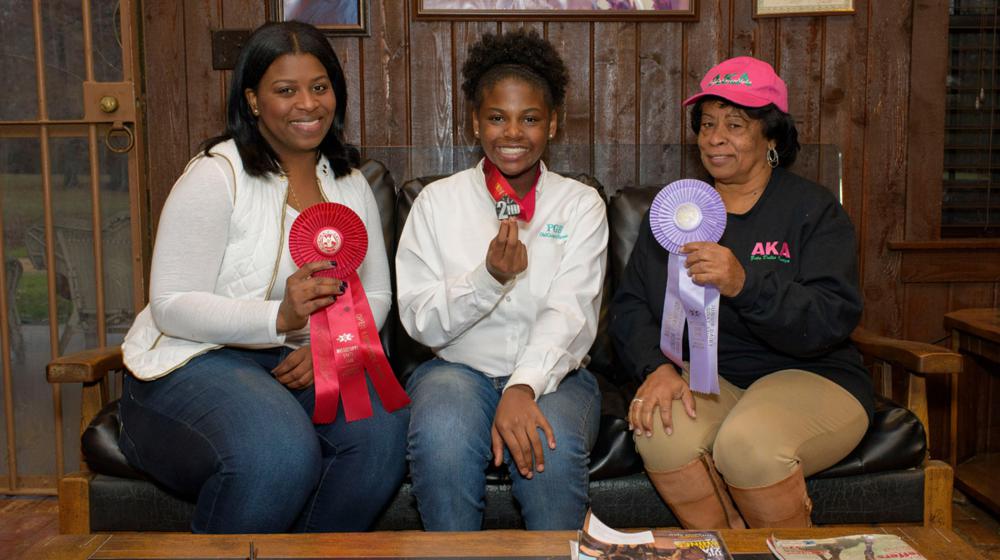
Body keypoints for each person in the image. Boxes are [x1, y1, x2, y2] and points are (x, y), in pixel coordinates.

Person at [118, 21, 407, 533]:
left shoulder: (350, 182)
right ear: (252, 100)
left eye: (320, 88)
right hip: (191, 363)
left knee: (381, 433)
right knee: (278, 451)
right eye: (285, 90)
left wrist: (332, 352)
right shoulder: (215, 175)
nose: (308, 104)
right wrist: (278, 316)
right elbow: (170, 303)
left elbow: (378, 291)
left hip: (294, 364)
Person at [610, 56, 873, 529]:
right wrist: (656, 368)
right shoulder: (676, 211)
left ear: (771, 136)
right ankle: (726, 545)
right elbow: (630, 306)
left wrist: (744, 284)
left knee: (746, 444)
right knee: (659, 430)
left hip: (812, 374)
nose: (715, 137)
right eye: (707, 123)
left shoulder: (814, 210)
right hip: (714, 380)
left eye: (735, 124)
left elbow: (829, 319)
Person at [395, 28, 608, 531]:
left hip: (556, 379)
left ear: (553, 124)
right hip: (457, 371)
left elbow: (571, 314)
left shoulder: (580, 205)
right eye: (497, 117)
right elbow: (421, 320)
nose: (513, 133)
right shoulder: (436, 203)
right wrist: (489, 279)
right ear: (474, 122)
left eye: (530, 118)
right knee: (442, 441)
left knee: (549, 451)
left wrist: (524, 386)